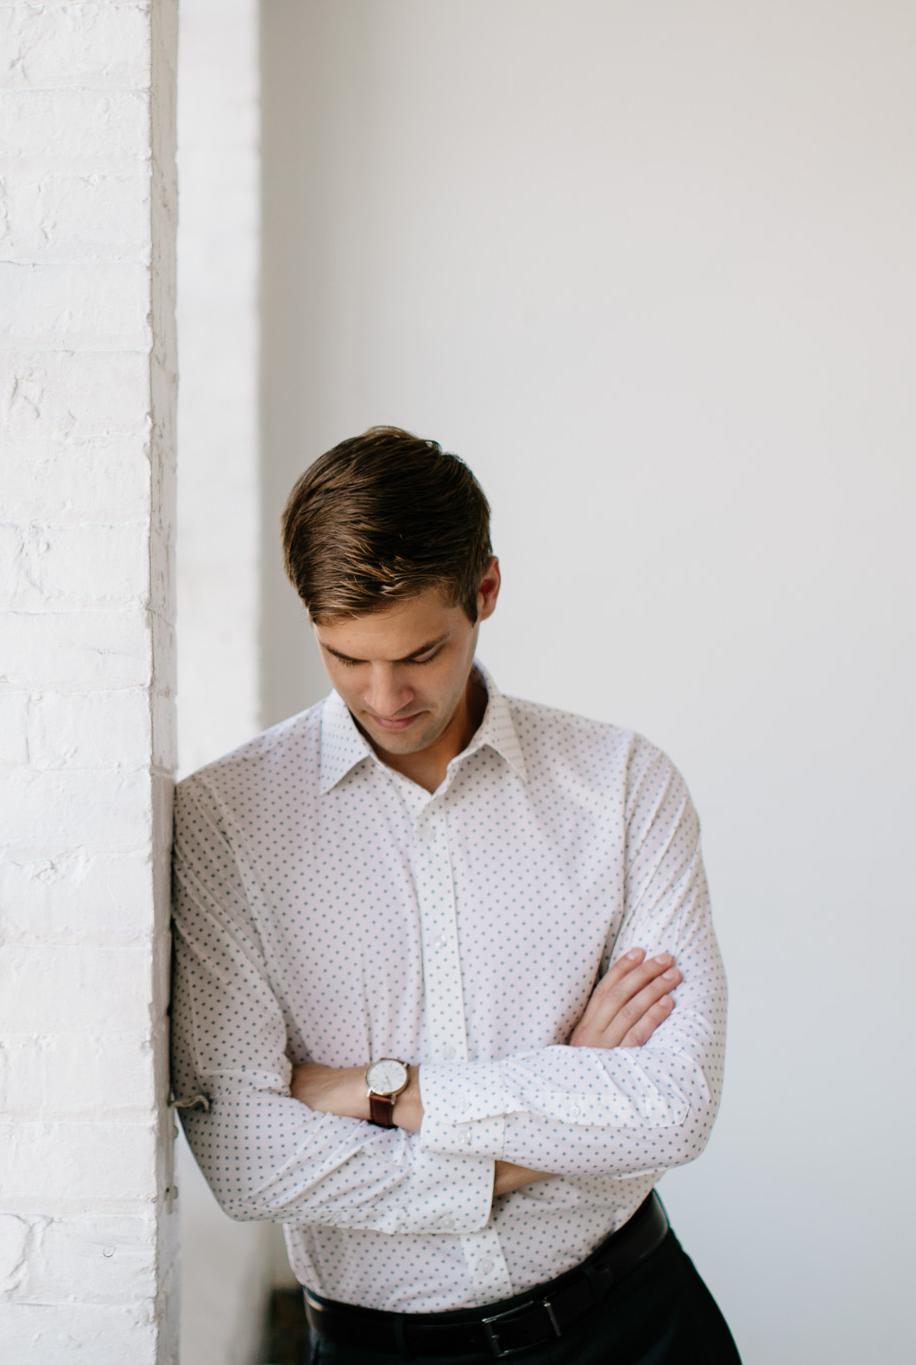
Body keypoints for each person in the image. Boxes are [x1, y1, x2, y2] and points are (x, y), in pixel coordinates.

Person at [170, 428, 737, 1362]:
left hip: (635, 1325)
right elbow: (248, 1158)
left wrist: (385, 1094)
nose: (384, 694)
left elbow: (672, 1101)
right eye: (345, 657)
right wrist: (553, 1113)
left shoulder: (626, 786)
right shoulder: (228, 821)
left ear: (486, 593)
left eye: (420, 653)